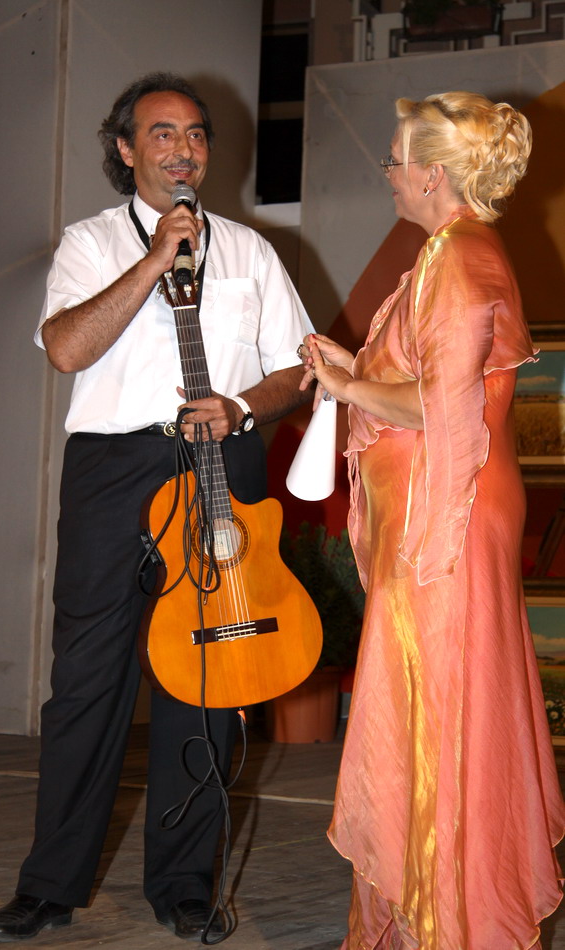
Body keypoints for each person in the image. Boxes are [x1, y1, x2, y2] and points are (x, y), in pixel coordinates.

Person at [0, 72, 313, 943]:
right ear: (126, 149)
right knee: (89, 678)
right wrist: (155, 259)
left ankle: (184, 885)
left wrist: (242, 406)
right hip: (115, 470)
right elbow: (65, 348)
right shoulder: (91, 243)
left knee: (205, 672)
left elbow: (296, 369)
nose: (184, 150)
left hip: (220, 456)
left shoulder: (250, 251)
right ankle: (49, 886)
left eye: (196, 134)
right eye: (163, 134)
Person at [300, 91, 565, 949]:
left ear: (432, 175)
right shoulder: (452, 253)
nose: (388, 172)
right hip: (442, 515)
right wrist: (354, 367)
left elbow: (443, 409)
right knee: (439, 713)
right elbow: (429, 383)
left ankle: (449, 923)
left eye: (395, 158)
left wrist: (349, 386)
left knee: (437, 715)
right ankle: (429, 914)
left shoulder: (458, 255)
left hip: (443, 526)